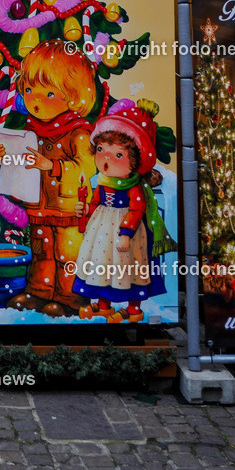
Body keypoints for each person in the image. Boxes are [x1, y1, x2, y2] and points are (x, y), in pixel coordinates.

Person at [3, 39, 98, 316]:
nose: (34, 100)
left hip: (69, 209)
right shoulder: (32, 130)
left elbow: (86, 168)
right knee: (42, 252)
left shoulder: (78, 133)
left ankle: (71, 299)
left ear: (72, 96)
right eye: (30, 90)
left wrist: (53, 166)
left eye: (48, 94)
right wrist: (9, 152)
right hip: (39, 206)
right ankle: (39, 294)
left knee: (67, 254)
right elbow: (23, 164)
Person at [73, 99, 176, 322]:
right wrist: (85, 209)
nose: (106, 158)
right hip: (102, 230)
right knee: (103, 264)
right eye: (101, 150)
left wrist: (126, 233)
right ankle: (103, 304)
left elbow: (137, 209)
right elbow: (96, 203)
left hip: (126, 233)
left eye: (117, 154)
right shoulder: (102, 182)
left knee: (127, 268)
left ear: (135, 159)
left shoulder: (134, 187)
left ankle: (133, 308)